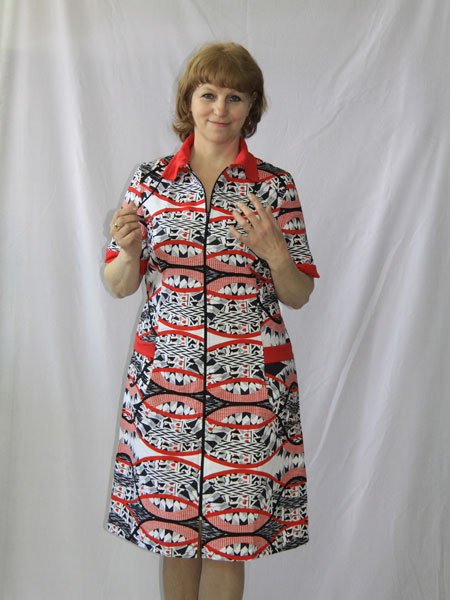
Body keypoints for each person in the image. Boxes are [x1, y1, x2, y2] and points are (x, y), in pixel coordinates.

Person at [103, 42, 320, 600]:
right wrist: (128, 252)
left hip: (248, 385)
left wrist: (276, 254)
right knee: (172, 534)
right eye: (208, 94)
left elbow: (299, 294)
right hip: (165, 382)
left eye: (234, 97)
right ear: (189, 101)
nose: (219, 109)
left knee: (231, 538)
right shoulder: (150, 181)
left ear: (252, 107)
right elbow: (120, 283)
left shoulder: (274, 186)